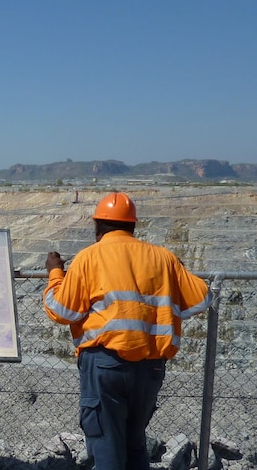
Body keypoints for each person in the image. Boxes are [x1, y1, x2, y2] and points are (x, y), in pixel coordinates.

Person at [42, 192, 212, 470]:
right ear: (133, 225)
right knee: (135, 444)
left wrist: (55, 274)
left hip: (105, 366)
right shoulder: (162, 257)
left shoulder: (88, 258)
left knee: (106, 444)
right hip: (150, 369)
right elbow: (201, 298)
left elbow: (62, 311)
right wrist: (176, 271)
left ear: (98, 225)